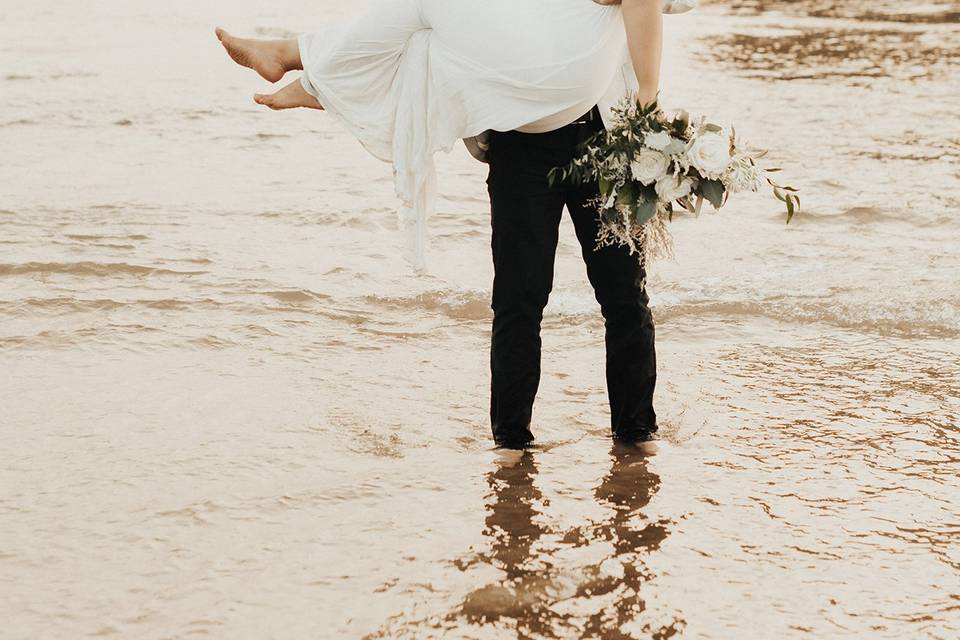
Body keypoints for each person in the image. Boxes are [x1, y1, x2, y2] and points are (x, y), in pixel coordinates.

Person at [215, 0, 698, 448]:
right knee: (518, 300)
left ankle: (636, 435)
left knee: (622, 296)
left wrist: (648, 103)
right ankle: (511, 445)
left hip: (603, 137)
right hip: (519, 145)